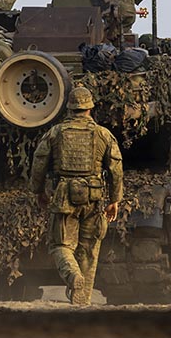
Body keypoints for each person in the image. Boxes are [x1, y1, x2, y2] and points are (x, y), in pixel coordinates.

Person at [29, 86, 123, 305]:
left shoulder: (55, 132)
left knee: (60, 246)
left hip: (64, 196)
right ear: (90, 108)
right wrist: (115, 200)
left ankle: (72, 276)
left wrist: (38, 191)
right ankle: (82, 299)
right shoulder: (103, 134)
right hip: (94, 196)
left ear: (69, 108)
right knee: (89, 250)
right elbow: (116, 169)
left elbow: (39, 162)